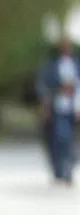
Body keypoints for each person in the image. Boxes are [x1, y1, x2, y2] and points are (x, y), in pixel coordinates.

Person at [35, 36, 80, 186]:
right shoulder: (52, 65)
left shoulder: (76, 65)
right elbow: (44, 87)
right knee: (59, 139)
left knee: (70, 141)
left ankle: (68, 169)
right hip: (58, 108)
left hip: (73, 108)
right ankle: (59, 170)